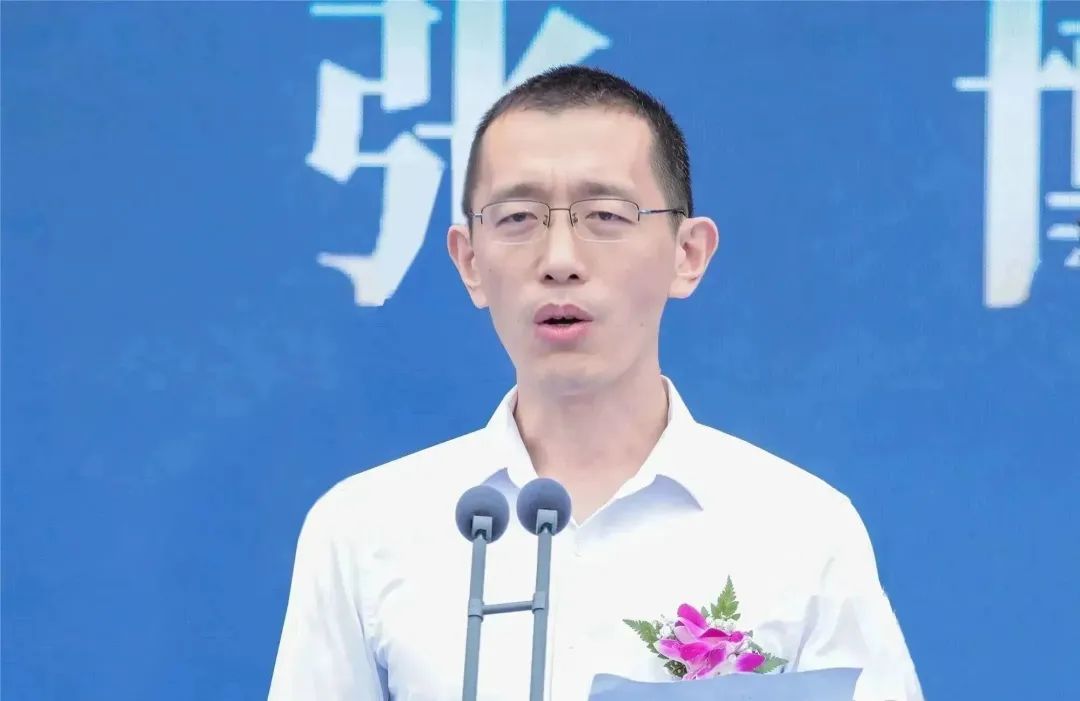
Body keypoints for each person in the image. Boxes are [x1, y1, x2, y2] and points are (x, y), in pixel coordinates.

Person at [268, 65, 923, 701]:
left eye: (606, 215)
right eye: (517, 217)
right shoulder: (365, 528)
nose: (560, 260)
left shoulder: (801, 527)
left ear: (687, 254)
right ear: (469, 261)